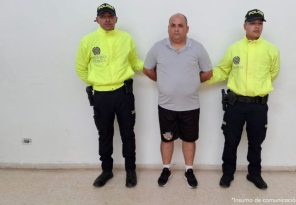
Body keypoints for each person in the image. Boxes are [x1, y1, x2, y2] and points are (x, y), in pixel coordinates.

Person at [208, 9, 280, 189]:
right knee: (231, 141)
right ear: (245, 26)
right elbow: (222, 70)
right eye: (253, 23)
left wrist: (257, 89)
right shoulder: (234, 48)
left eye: (260, 23)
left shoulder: (271, 50)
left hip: (258, 106)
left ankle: (254, 174)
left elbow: (273, 73)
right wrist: (204, 77)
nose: (257, 27)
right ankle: (227, 173)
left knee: (256, 143)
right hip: (235, 105)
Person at [75, 3, 143, 188]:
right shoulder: (88, 40)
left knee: (128, 134)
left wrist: (152, 67)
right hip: (101, 96)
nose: (107, 19)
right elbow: (80, 68)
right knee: (104, 134)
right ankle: (106, 171)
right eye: (103, 16)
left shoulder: (126, 38)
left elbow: (135, 62)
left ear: (116, 19)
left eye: (110, 16)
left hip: (123, 93)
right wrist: (96, 82)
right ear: (96, 19)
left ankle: (130, 170)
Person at [143, 13, 212, 188]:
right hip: (166, 105)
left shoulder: (197, 48)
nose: (176, 29)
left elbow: (207, 73)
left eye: (180, 25)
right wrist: (163, 81)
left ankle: (189, 170)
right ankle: (166, 168)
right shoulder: (158, 48)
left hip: (190, 106)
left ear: (187, 29)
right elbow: (147, 69)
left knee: (189, 140)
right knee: (167, 139)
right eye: (173, 25)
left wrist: (193, 83)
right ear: (168, 28)